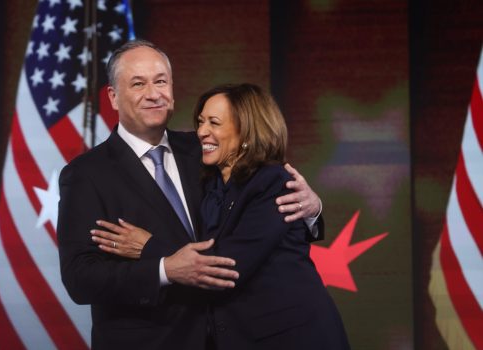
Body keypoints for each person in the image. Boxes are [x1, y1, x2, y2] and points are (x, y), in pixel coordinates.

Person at [57, 40, 324, 350]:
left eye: (160, 81)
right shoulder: (86, 175)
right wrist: (163, 269)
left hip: (230, 338)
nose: (153, 93)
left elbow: (257, 208)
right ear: (113, 97)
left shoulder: (207, 149)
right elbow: (80, 279)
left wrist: (313, 208)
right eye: (138, 84)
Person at [93, 83, 350, 349]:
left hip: (293, 337)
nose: (201, 132)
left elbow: (228, 266)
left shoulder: (273, 183)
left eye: (214, 123)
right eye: (201, 121)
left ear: (246, 132)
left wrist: (149, 248)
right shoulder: (210, 182)